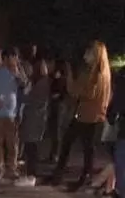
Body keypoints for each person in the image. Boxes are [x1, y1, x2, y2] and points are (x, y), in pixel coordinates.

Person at [49, 41, 113, 188]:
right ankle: (79, 177)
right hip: (92, 116)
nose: (85, 56)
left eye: (88, 53)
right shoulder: (102, 73)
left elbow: (82, 92)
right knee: (85, 148)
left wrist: (70, 77)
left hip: (86, 116)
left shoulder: (95, 74)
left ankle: (68, 176)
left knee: (74, 144)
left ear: (95, 55)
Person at [0, 48, 25, 181]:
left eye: (14, 57)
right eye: (9, 57)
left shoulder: (17, 71)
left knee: (12, 143)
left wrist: (17, 72)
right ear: (3, 58)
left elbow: (24, 85)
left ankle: (12, 168)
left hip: (11, 113)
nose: (11, 60)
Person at [15, 59, 51, 186]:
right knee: (31, 148)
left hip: (34, 119)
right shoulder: (42, 82)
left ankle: (31, 176)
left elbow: (31, 99)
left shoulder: (41, 84)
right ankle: (30, 175)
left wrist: (24, 93)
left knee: (31, 149)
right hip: (35, 119)